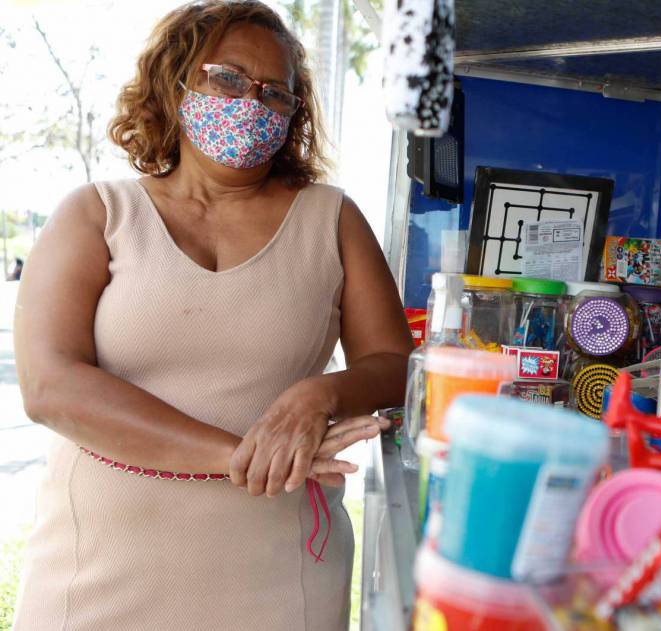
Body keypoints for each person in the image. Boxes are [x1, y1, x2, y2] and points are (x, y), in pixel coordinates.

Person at [12, 2, 412, 629]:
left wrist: (319, 395)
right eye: (226, 78)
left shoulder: (332, 219)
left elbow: (392, 364)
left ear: (293, 115)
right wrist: (237, 456)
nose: (249, 102)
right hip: (96, 575)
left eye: (273, 93)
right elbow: (49, 386)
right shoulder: (97, 214)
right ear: (175, 84)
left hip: (281, 578)